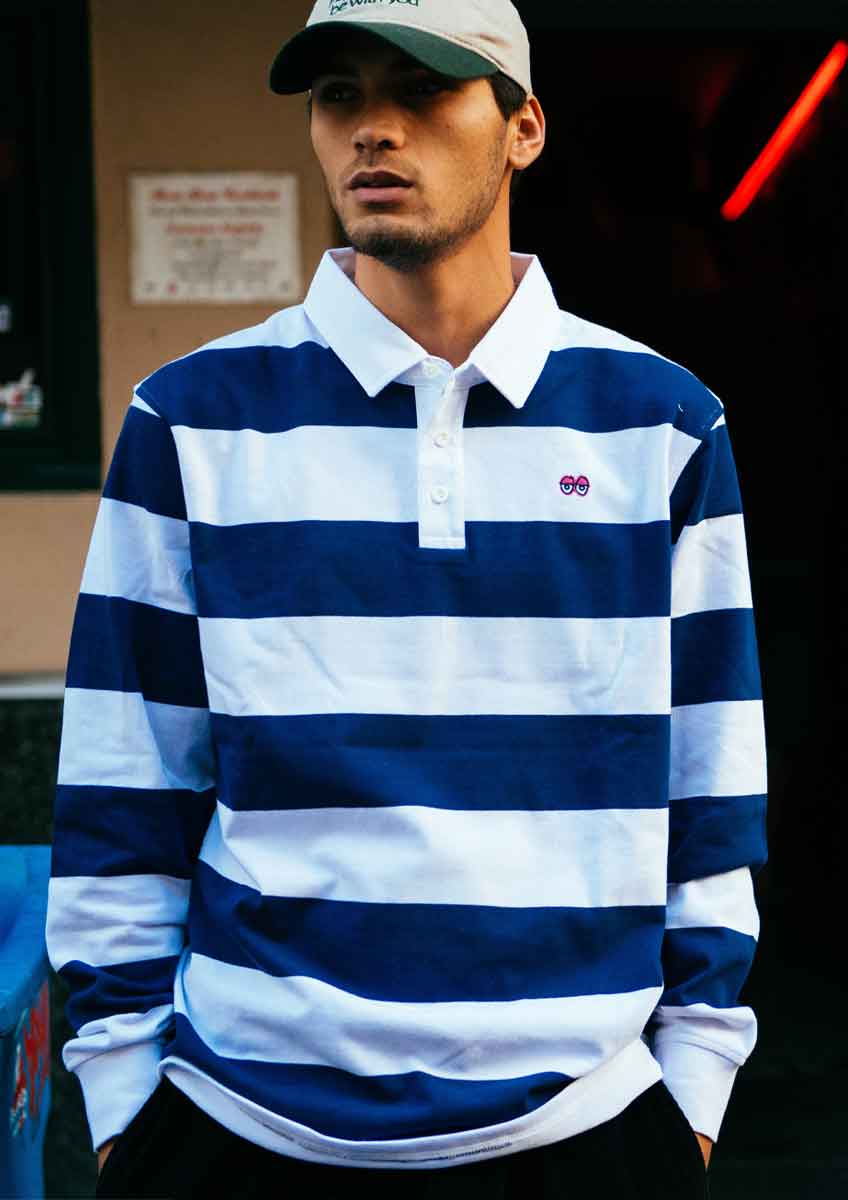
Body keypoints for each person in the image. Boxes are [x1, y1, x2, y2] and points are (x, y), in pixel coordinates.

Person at [45, 1, 768, 1197]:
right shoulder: (193, 419)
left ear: (522, 129)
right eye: (339, 95)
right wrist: (123, 1105)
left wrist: (688, 1093)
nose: (372, 128)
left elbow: (710, 791)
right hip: (240, 1128)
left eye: (422, 90)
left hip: (582, 1132)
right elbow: (122, 789)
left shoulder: (661, 424)